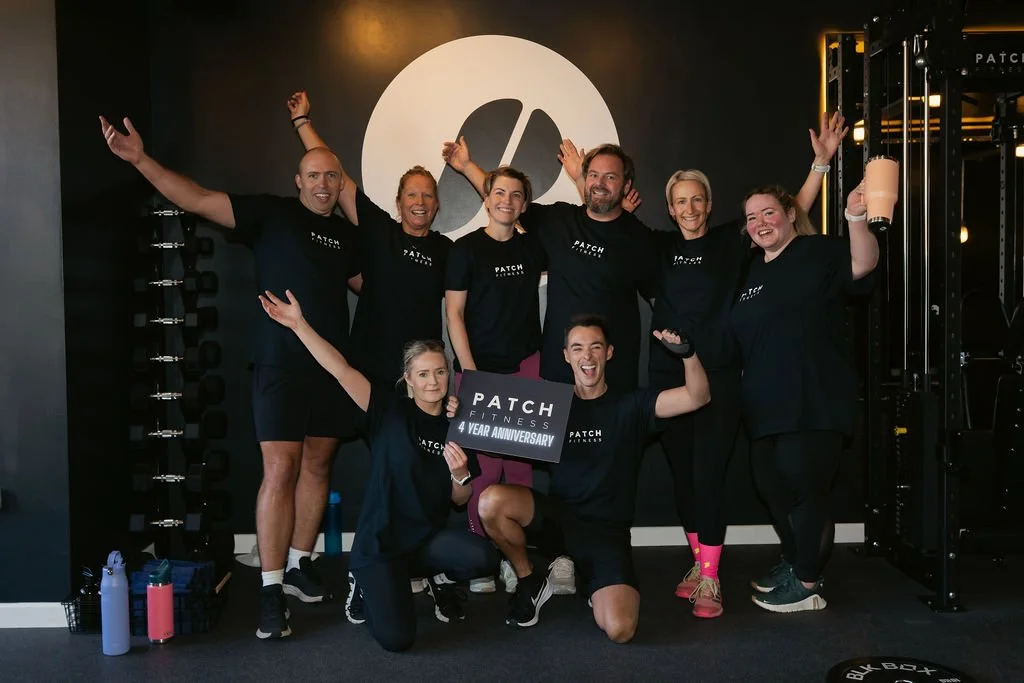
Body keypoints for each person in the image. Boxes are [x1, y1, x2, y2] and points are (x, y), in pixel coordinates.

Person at [100, 116, 362, 640]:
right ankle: (270, 589)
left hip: (332, 366)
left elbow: (376, 286)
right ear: (298, 180)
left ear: (341, 184)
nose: (322, 184)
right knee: (281, 469)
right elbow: (197, 199)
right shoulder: (271, 214)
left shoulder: (347, 237)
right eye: (313, 175)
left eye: (332, 176)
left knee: (319, 464)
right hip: (279, 362)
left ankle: (299, 564)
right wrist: (140, 159)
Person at [638, 113, 849, 619]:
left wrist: (820, 164)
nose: (689, 208)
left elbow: (787, 215)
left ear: (708, 205)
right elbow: (607, 225)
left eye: (697, 199)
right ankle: (699, 564)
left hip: (719, 378)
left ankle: (711, 577)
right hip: (668, 379)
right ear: (670, 208)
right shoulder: (658, 247)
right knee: (684, 479)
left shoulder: (732, 241)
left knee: (709, 476)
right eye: (680, 201)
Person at [260, 289, 498, 651]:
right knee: (398, 639)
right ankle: (366, 582)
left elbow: (460, 498)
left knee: (483, 557)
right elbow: (340, 369)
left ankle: (428, 577)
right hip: (380, 546)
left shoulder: (456, 426)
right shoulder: (389, 412)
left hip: (424, 542)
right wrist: (298, 325)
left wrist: (461, 473)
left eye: (439, 372)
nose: (433, 381)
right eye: (423, 374)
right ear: (409, 379)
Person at [478, 315, 711, 643]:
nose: (586, 356)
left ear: (609, 353)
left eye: (595, 347)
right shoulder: (550, 407)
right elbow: (486, 421)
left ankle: (589, 578)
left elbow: (697, 397)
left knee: (620, 630)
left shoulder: (631, 404)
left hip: (606, 534)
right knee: (490, 502)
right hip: (559, 522)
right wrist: (459, 409)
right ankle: (530, 581)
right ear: (566, 356)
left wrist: (688, 355)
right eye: (577, 348)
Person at [730, 182, 878, 613]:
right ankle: (797, 560)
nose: (760, 223)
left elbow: (863, 263)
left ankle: (808, 582)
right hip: (764, 404)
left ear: (791, 213)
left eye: (769, 213)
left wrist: (855, 218)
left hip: (813, 396)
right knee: (771, 486)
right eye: (752, 217)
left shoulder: (818, 252)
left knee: (805, 488)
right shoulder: (752, 270)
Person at [443, 138, 655, 391]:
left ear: (626, 184)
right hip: (558, 372)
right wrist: (467, 167)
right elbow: (507, 201)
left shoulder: (639, 238)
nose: (599, 183)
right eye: (593, 175)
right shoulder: (557, 221)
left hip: (613, 375)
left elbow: (658, 298)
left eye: (610, 177)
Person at [286, 91, 451, 386]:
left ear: (436, 205)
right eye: (412, 194)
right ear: (399, 202)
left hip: (422, 373)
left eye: (428, 195)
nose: (420, 202)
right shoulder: (380, 230)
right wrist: (302, 122)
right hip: (370, 366)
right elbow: (335, 172)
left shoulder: (447, 250)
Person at [444, 166, 546, 594]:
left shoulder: (532, 248)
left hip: (526, 368)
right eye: (498, 193)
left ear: (524, 205)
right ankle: (482, 559)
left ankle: (513, 558)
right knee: (484, 471)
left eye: (516, 195)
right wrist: (471, 374)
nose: (506, 200)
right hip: (478, 370)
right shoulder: (465, 250)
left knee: (519, 470)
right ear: (486, 199)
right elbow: (454, 315)